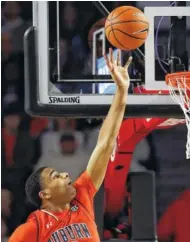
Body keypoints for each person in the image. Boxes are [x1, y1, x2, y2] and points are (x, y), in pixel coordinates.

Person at [8, 49, 132, 242]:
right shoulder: (32, 229)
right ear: (45, 194)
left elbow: (105, 144)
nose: (66, 174)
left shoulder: (82, 195)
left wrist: (122, 91)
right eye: (55, 176)